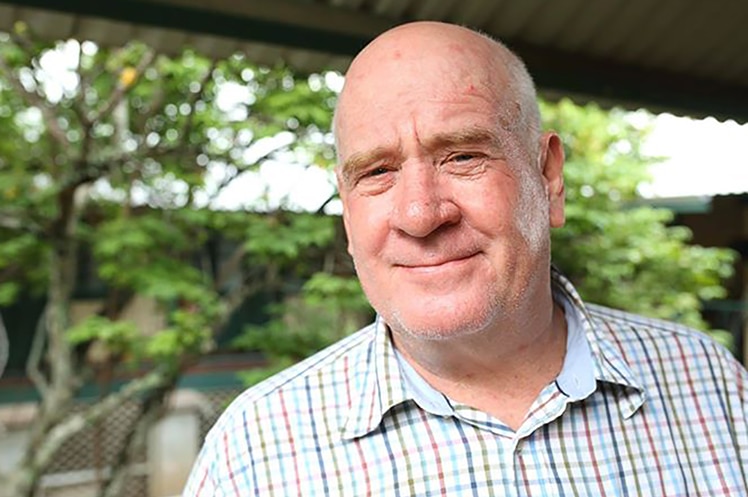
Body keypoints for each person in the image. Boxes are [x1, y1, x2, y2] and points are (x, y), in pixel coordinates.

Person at [183, 21, 748, 496]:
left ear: (548, 177)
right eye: (376, 172)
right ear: (347, 212)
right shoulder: (253, 455)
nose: (420, 214)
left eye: (462, 156)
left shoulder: (715, 388)